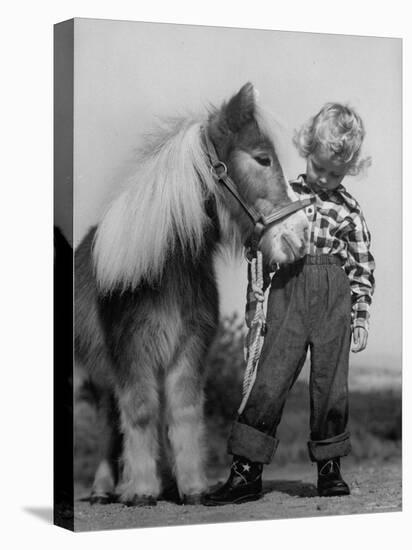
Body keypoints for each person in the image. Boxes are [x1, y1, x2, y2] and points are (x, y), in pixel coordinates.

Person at [203, 103, 376, 505]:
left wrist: (361, 315)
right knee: (270, 378)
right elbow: (259, 237)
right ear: (307, 151)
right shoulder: (287, 195)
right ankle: (246, 471)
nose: (327, 178)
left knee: (331, 386)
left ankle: (330, 469)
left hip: (335, 296)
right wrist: (256, 278)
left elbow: (362, 266)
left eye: (337, 173)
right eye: (320, 168)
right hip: (287, 292)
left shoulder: (350, 211)